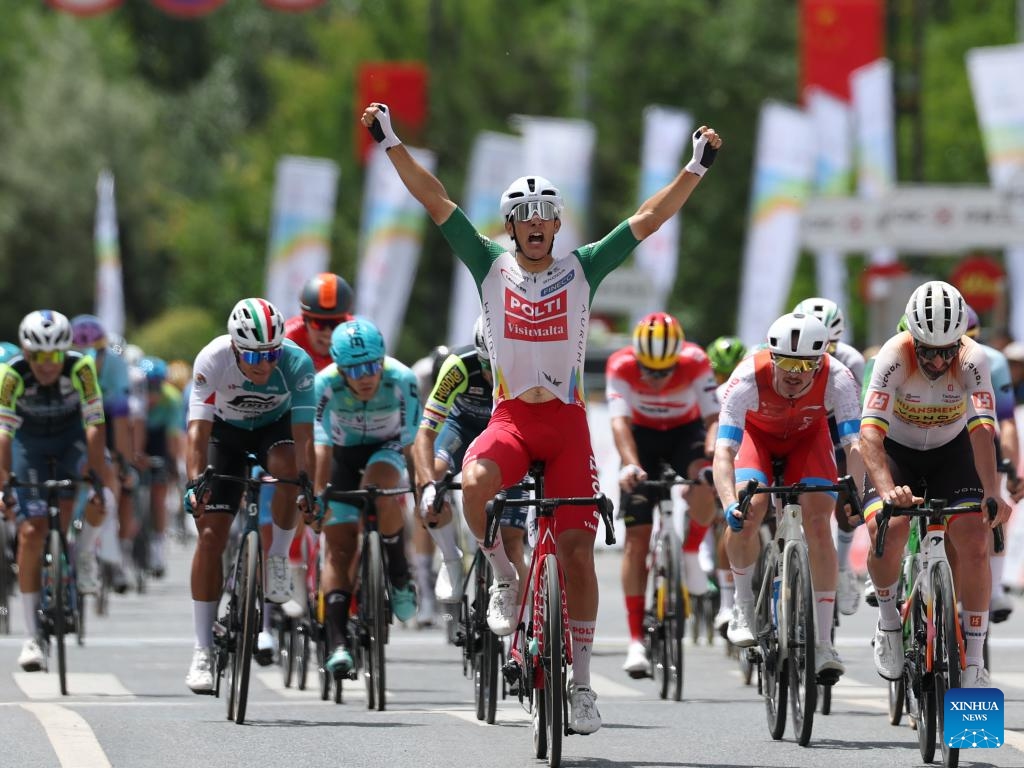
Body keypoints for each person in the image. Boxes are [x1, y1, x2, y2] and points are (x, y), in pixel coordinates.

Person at [362, 100, 722, 734]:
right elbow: (435, 199)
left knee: (579, 556)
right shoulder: (488, 264)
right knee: (474, 483)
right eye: (523, 216)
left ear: (556, 224)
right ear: (510, 225)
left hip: (565, 427)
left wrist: (694, 166)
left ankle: (581, 686)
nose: (534, 223)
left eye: (544, 215)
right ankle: (503, 575)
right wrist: (391, 139)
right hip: (509, 421)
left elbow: (648, 217)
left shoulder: (582, 267)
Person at [862, 281, 1012, 689]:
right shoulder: (893, 355)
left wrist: (992, 492)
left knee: (976, 540)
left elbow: (983, 431)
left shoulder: (972, 357)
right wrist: (888, 488)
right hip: (897, 452)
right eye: (929, 350)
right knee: (886, 529)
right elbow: (870, 435)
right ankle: (890, 623)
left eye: (949, 349)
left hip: (952, 451)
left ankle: (975, 663)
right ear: (913, 338)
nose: (939, 360)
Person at [713, 312, 863, 682]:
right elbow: (723, 452)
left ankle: (824, 642)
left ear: (820, 361)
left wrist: (856, 492)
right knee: (752, 507)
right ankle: (743, 606)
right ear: (772, 356)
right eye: (787, 362)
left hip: (807, 442)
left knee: (817, 521)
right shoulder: (747, 377)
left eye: (806, 364)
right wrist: (729, 501)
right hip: (758, 441)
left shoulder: (839, 378)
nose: (795, 373)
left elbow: (854, 444)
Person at [183, 298, 316, 693]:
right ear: (236, 347)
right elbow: (197, 431)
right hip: (224, 436)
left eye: (272, 353)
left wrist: (308, 485)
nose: (264, 364)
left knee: (291, 472)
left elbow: (306, 435)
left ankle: (276, 558)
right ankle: (202, 650)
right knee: (210, 537)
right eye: (255, 356)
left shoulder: (297, 363)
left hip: (273, 431)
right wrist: (195, 483)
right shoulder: (212, 359)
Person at [0, 310, 116, 672]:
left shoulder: (81, 368)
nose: (47, 365)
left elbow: (95, 424)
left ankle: (83, 555)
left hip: (71, 441)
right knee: (32, 531)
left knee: (96, 497)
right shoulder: (11, 374)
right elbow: (3, 434)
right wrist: (4, 482)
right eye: (38, 356)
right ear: (25, 352)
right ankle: (32, 637)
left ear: (64, 352)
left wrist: (96, 474)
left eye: (53, 356)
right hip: (28, 444)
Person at [605, 312, 720, 677]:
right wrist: (629, 465)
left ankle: (689, 554)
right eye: (650, 372)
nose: (657, 379)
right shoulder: (621, 365)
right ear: (638, 358)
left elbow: (713, 417)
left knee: (708, 480)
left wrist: (714, 455)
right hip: (642, 438)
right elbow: (619, 421)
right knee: (637, 540)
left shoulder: (696, 361)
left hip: (684, 434)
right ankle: (636, 640)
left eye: (665, 371)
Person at [313, 317, 420, 677]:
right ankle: (338, 641)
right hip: (341, 455)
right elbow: (320, 448)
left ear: (383, 360)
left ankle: (400, 573)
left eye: (372, 366)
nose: (365, 376)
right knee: (339, 548)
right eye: (355, 369)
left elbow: (411, 442)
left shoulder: (402, 379)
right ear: (339, 368)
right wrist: (317, 496)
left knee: (380, 491)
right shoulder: (323, 385)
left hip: (387, 448)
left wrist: (423, 488)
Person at [414, 318, 531, 608]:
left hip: (508, 435)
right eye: (486, 365)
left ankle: (525, 622)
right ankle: (451, 557)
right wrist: (429, 486)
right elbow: (425, 433)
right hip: (462, 428)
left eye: (499, 366)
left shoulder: (529, 367)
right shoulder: (459, 365)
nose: (493, 374)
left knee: (513, 543)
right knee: (432, 477)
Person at [793, 297, 866, 617]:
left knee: (845, 493)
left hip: (834, 425)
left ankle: (842, 565)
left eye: (831, 345)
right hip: (796, 424)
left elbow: (860, 417)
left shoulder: (850, 360)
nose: (824, 353)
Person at [964, 306, 1021, 621]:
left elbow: (1006, 422)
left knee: (993, 507)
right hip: (938, 442)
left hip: (981, 438)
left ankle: (995, 586)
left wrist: (1011, 467)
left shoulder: (993, 361)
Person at [71, 314, 134, 592]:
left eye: (96, 351)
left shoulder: (115, 365)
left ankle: (109, 541)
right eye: (80, 351)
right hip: (71, 421)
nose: (89, 357)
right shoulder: (67, 368)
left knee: (110, 473)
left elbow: (120, 420)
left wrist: (122, 461)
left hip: (104, 418)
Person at [705, 335, 748, 633]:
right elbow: (710, 433)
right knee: (721, 514)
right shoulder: (719, 392)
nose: (725, 378)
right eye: (720, 372)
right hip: (725, 447)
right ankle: (725, 602)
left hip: (749, 451)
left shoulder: (748, 385)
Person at [136, 356, 184, 578]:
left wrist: (173, 465)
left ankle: (157, 545)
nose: (152, 393)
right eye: (148, 387)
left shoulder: (172, 398)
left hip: (159, 440)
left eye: (156, 387)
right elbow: (128, 429)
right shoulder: (133, 394)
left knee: (159, 492)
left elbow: (172, 437)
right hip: (135, 435)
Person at [285, 272, 355, 371]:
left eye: (336, 323)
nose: (327, 332)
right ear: (305, 321)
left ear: (346, 322)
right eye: (318, 323)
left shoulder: (357, 338)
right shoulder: (287, 340)